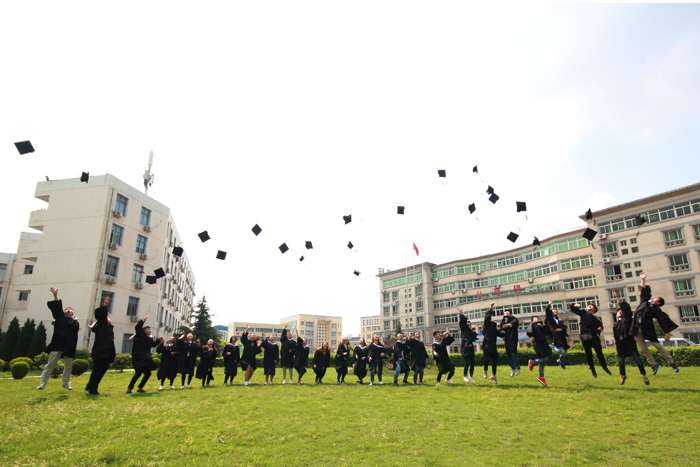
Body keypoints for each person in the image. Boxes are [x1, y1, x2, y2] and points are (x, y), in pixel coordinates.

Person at [630, 273, 679, 375]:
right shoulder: (644, 302)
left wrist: (666, 332)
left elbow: (663, 320)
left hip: (647, 328)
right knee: (644, 349)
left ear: (658, 303)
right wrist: (642, 279)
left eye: (656, 298)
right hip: (636, 327)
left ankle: (672, 362)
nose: (654, 298)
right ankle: (654, 365)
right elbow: (643, 290)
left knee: (658, 346)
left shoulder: (656, 310)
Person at [38, 287, 80, 390]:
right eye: (67, 309)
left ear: (73, 313)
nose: (68, 310)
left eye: (70, 310)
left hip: (69, 346)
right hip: (58, 344)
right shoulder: (60, 318)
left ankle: (65, 383)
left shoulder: (75, 323)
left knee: (68, 366)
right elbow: (57, 308)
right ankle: (42, 383)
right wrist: (55, 295)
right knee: (50, 365)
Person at [613, 291, 649, 386]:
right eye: (618, 312)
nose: (619, 312)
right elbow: (615, 336)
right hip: (621, 345)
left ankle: (644, 375)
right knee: (621, 361)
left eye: (620, 311)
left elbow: (625, 309)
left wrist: (618, 298)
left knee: (637, 359)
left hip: (630, 343)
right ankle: (622, 376)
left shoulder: (628, 319)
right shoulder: (616, 324)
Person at [570, 301, 612, 378]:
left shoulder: (597, 318)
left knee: (599, 353)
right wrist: (575, 306)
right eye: (588, 305)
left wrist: (600, 329)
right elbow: (573, 310)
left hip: (594, 335)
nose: (589, 306)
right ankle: (592, 369)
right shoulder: (583, 312)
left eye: (591, 306)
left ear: (595, 309)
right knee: (589, 354)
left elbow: (600, 327)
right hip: (585, 335)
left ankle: (604, 367)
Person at [85, 294, 115, 395]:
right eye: (107, 317)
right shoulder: (102, 325)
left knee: (102, 371)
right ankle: (90, 387)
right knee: (97, 370)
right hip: (100, 351)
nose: (109, 318)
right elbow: (101, 316)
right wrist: (105, 305)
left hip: (106, 352)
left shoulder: (109, 328)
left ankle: (93, 386)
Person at [126, 315, 159, 394]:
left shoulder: (148, 338)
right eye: (148, 329)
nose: (149, 330)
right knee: (138, 373)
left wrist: (159, 340)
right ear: (143, 331)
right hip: (138, 357)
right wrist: (142, 321)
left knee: (148, 373)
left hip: (145, 358)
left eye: (150, 329)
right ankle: (129, 389)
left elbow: (153, 345)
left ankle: (140, 388)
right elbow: (137, 327)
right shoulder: (140, 335)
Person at [526, 316, 552, 386]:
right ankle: (533, 362)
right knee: (545, 358)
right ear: (532, 320)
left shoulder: (540, 325)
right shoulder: (532, 325)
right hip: (538, 343)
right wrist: (531, 336)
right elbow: (528, 331)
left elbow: (547, 333)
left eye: (537, 318)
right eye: (535, 318)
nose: (537, 319)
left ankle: (541, 377)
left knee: (542, 360)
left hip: (544, 343)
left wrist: (542, 327)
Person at [544, 300, 569, 369]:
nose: (556, 311)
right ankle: (552, 346)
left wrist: (561, 329)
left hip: (561, 338)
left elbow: (564, 326)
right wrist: (549, 304)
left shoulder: (558, 321)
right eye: (554, 311)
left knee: (565, 352)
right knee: (562, 352)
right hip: (555, 336)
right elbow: (547, 310)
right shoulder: (549, 319)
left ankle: (561, 361)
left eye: (556, 311)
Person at [458, 307, 477, 383]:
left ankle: (471, 376)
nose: (468, 324)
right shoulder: (464, 329)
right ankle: (465, 376)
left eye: (469, 323)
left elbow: (474, 338)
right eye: (467, 323)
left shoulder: (472, 332)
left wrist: (475, 338)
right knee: (468, 362)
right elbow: (463, 322)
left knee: (472, 363)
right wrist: (461, 313)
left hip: (471, 348)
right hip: (465, 348)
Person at [482, 302, 499, 384]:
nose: (492, 320)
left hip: (493, 346)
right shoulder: (487, 326)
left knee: (495, 361)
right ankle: (485, 370)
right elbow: (487, 317)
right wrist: (491, 308)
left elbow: (499, 333)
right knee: (487, 359)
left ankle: (493, 376)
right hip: (486, 345)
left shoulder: (494, 327)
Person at [500, 309, 520, 377]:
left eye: (508, 312)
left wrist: (509, 324)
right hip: (507, 339)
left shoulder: (513, 319)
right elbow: (501, 330)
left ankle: (517, 367)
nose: (506, 313)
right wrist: (502, 335)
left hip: (513, 338)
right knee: (508, 354)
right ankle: (513, 368)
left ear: (510, 314)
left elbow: (516, 323)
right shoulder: (502, 321)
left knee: (513, 353)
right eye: (505, 312)